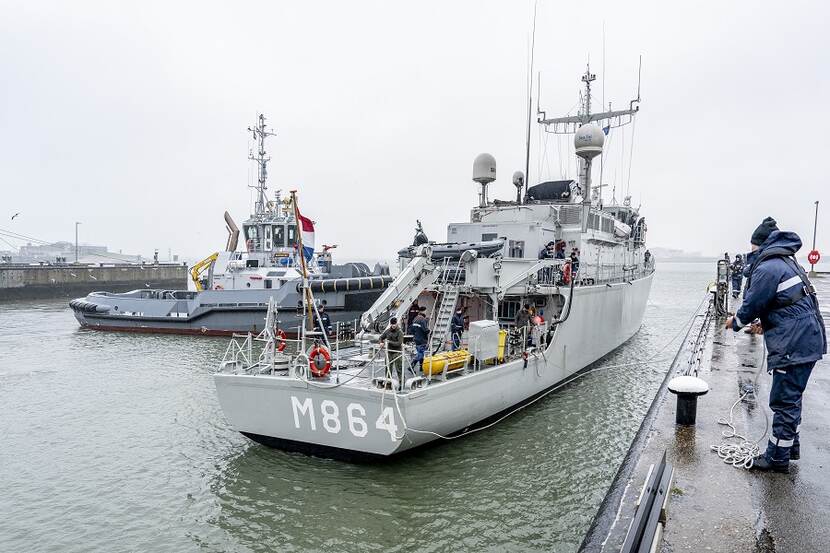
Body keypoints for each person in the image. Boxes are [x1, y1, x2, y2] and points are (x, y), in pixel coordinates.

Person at [725, 216, 826, 472]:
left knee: (783, 401)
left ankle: (776, 459)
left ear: (760, 245)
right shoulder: (784, 262)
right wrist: (765, 322)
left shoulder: (768, 267)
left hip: (794, 343)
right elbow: (785, 302)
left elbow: (753, 303)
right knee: (792, 399)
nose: (750, 252)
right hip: (805, 338)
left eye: (752, 247)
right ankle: (789, 448)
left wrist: (735, 322)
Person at [378, 317, 405, 389]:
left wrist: (389, 342)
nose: (393, 326)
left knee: (399, 368)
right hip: (389, 352)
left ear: (397, 323)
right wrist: (381, 342)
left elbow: (399, 343)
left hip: (397, 352)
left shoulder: (400, 332)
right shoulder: (387, 331)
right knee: (388, 368)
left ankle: (402, 383)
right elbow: (381, 337)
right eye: (392, 324)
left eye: (395, 324)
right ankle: (388, 383)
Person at [410, 306, 430, 370]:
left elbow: (412, 329)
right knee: (421, 354)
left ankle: (421, 367)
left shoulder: (415, 319)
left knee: (420, 352)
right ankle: (411, 366)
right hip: (422, 339)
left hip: (416, 338)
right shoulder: (423, 320)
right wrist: (430, 330)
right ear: (424, 311)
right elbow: (426, 330)